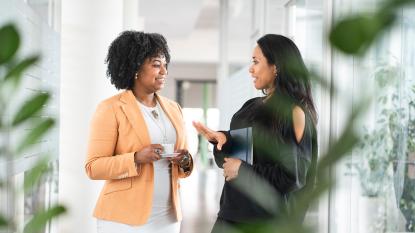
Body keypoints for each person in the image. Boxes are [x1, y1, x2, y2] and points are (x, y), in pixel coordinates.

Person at [193, 34, 318, 232]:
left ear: (276, 67)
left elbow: (293, 177)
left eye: (256, 62)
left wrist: (242, 171)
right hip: (231, 215)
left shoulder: (293, 112)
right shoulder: (251, 107)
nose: (251, 69)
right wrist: (224, 141)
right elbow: (234, 162)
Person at [85, 31, 193, 233]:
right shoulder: (111, 108)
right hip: (122, 219)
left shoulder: (174, 109)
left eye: (165, 65)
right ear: (135, 66)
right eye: (156, 64)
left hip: (168, 218)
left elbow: (184, 162)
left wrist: (185, 160)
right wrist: (135, 158)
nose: (164, 72)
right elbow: (93, 166)